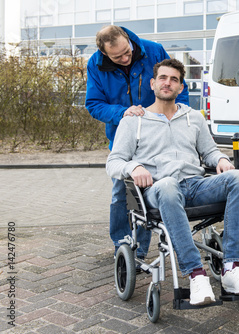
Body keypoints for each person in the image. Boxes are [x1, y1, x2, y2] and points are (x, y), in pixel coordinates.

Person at [106, 58, 239, 305]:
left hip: (194, 186)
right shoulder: (134, 120)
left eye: (174, 79)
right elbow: (113, 163)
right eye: (163, 78)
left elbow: (209, 151)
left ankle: (231, 267)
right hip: (158, 189)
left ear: (180, 87)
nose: (168, 83)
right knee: (167, 185)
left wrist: (220, 159)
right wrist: (133, 166)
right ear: (153, 83)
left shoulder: (193, 117)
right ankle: (196, 275)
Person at [85, 25, 189, 261]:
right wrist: (123, 112)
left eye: (127, 52)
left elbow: (174, 85)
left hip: (157, 139)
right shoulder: (95, 64)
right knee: (121, 195)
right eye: (116, 57)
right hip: (124, 138)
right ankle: (123, 247)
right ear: (104, 53)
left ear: (129, 41)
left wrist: (182, 115)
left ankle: (140, 249)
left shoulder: (153, 50)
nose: (124, 59)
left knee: (152, 189)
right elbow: (94, 104)